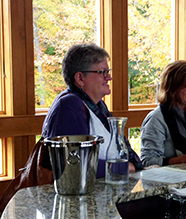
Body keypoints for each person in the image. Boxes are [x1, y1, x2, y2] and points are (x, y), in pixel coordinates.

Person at [42, 43, 143, 177]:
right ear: (80, 78)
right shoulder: (69, 106)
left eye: (108, 72)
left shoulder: (98, 106)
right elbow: (71, 163)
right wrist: (116, 168)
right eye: (102, 72)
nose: (109, 77)